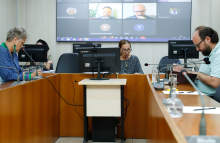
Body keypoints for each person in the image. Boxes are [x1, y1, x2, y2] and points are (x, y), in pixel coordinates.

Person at [173, 26, 220, 95]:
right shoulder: (208, 52)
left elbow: (214, 82)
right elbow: (202, 75)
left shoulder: (218, 54)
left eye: (198, 45)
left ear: (208, 39)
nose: (197, 49)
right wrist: (185, 71)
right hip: (198, 92)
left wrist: (196, 73)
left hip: (209, 97)